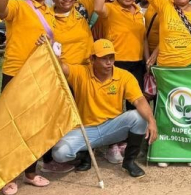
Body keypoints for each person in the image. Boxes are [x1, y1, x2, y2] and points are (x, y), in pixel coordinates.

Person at [52, 39, 157, 178]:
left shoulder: (124, 76)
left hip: (113, 127)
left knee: (139, 117)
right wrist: (55, 53)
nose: (109, 62)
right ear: (92, 59)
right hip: (85, 130)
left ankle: (129, 162)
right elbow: (61, 67)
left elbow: (139, 100)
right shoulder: (80, 72)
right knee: (59, 153)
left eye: (111, 57)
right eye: (104, 58)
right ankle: (85, 154)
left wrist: (151, 121)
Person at [0, 0, 55, 192]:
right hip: (16, 73)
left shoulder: (50, 11)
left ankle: (30, 172)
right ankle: (6, 176)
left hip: (38, 75)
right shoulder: (18, 5)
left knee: (33, 126)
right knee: (11, 126)